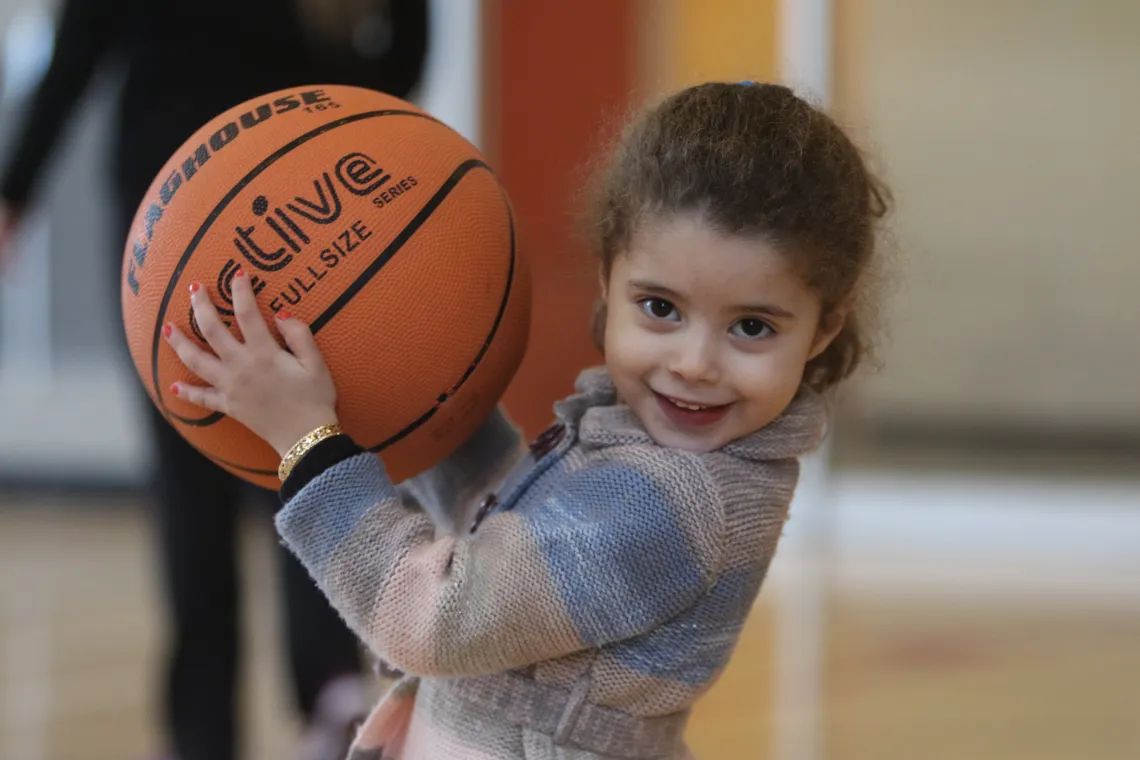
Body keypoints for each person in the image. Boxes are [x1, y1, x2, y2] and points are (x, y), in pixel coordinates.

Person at [164, 80, 890, 759]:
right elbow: (512, 539)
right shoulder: (652, 452)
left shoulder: (678, 502)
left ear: (825, 327)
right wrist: (428, 393)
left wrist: (307, 442)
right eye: (661, 308)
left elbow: (439, 616)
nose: (696, 362)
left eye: (753, 327)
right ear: (607, 278)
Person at [0, 2, 429, 760]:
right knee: (302, 445)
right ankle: (321, 696)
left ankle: (215, 727)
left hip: (184, 203)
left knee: (203, 472)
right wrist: (362, 112)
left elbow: (78, 48)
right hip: (289, 196)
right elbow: (407, 33)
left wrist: (17, 190)